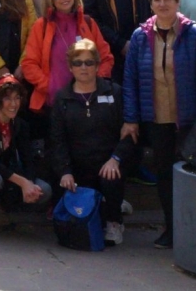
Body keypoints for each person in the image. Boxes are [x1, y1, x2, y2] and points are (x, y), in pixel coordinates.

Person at [122, 0, 196, 249]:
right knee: (165, 176)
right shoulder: (140, 36)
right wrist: (131, 118)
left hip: (189, 119)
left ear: (178, 2)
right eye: (157, 0)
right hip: (156, 119)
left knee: (193, 174)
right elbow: (130, 80)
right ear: (151, 4)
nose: (162, 4)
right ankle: (173, 229)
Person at [51, 38, 134, 246]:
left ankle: (115, 221)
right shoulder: (62, 98)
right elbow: (57, 140)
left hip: (109, 162)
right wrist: (65, 171)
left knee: (111, 174)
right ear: (70, 67)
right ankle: (109, 205)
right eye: (78, 63)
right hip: (78, 166)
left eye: (89, 62)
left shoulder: (114, 92)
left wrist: (116, 158)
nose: (84, 67)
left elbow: (130, 133)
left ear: (97, 65)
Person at [0, 75, 53, 239]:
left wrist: (30, 183)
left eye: (17, 98)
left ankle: (2, 206)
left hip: (7, 177)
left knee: (44, 191)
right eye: (7, 98)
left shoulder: (19, 125)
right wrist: (22, 182)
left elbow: (28, 159)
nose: (13, 104)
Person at [21, 0, 113, 112]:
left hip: (89, 100)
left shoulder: (88, 23)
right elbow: (29, 64)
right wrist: (50, 86)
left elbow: (106, 58)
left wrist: (94, 82)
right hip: (54, 103)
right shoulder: (41, 26)